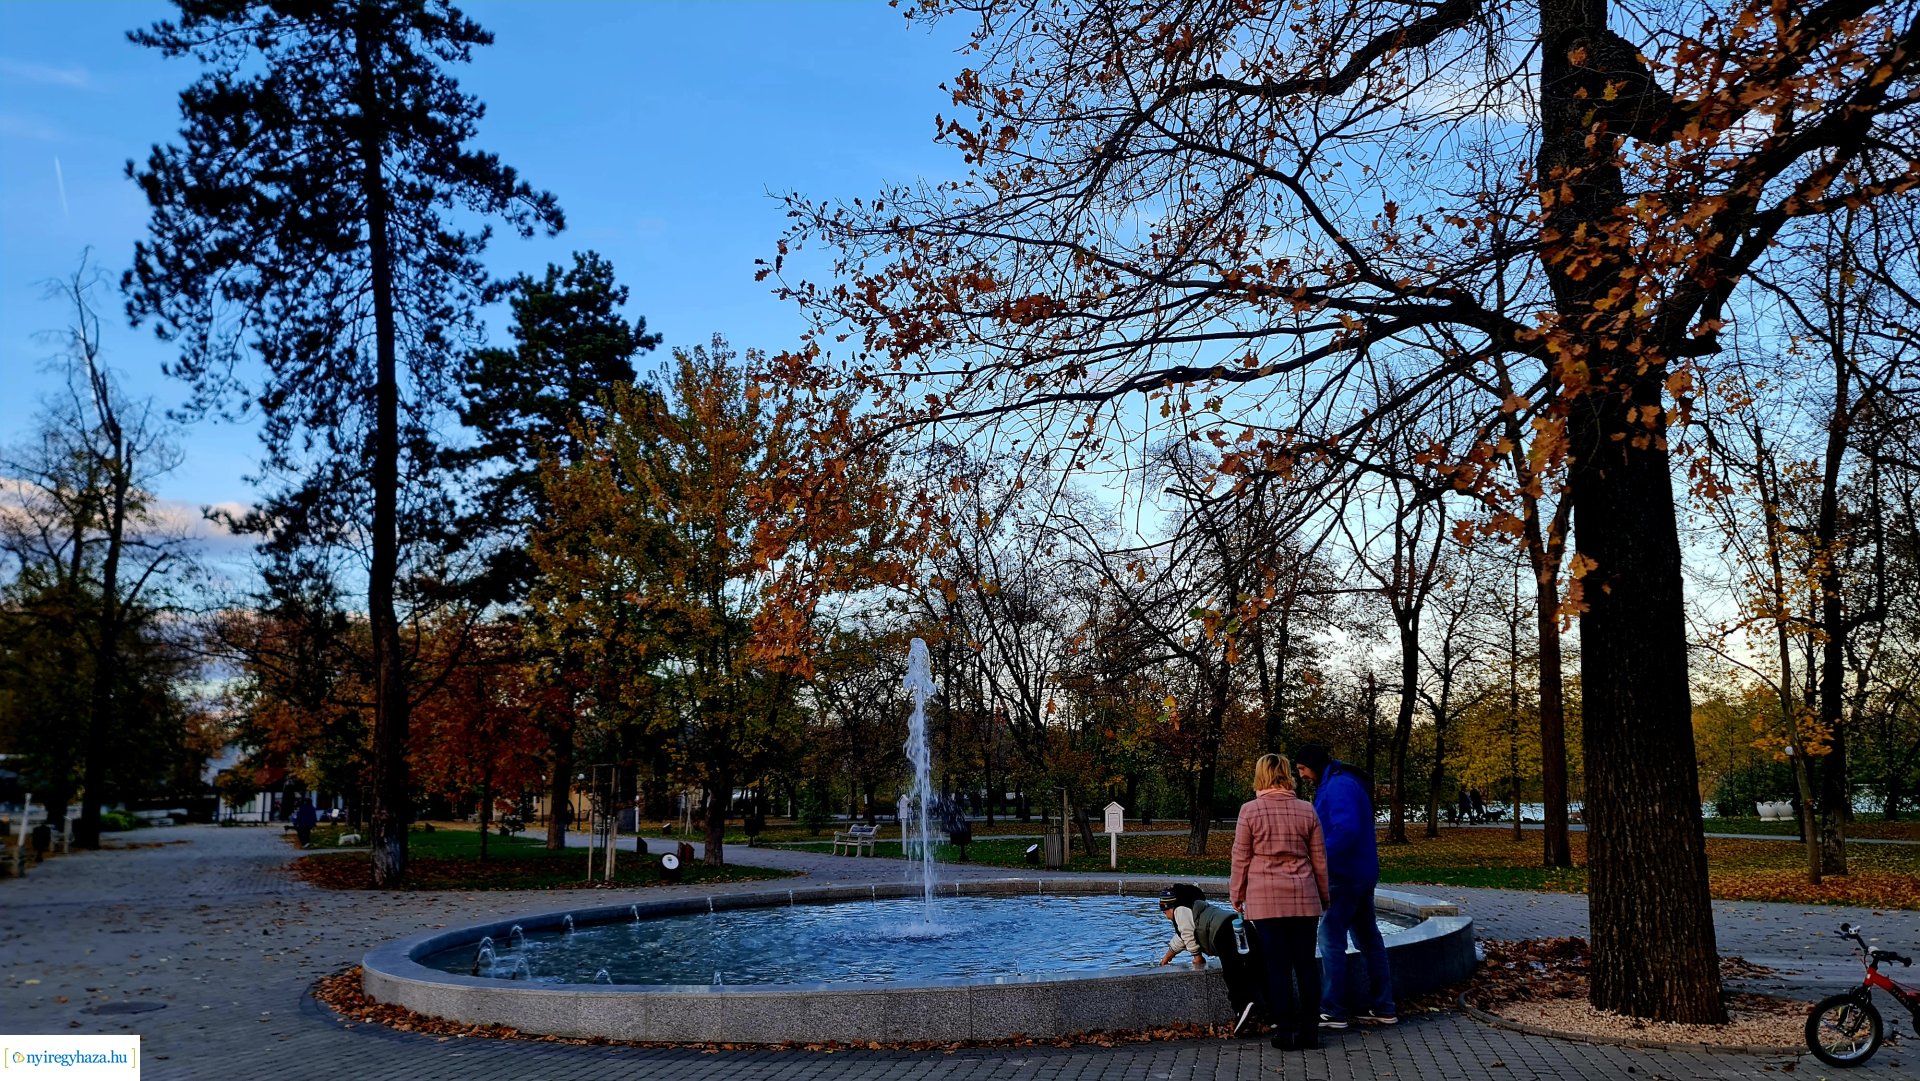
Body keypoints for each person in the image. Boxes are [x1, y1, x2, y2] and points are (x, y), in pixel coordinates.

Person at [1230, 752, 1329, 1051]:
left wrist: (1237, 893)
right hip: (1304, 897)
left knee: (1277, 967)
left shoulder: (1250, 811)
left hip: (1266, 898)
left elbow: (1241, 857)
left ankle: (1284, 1031)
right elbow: (1320, 859)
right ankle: (1311, 1032)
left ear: (1260, 775)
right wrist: (1324, 896)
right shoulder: (1306, 810)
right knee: (1306, 966)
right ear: (1286, 774)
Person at [1293, 743, 1397, 1029]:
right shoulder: (1343, 782)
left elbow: (1346, 830)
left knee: (1330, 938)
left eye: (1302, 769)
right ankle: (1384, 1006)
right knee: (1368, 939)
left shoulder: (1338, 786)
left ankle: (1333, 1010)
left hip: (1343, 876)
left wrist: (1318, 858)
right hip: (1360, 873)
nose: (1300, 775)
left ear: (1313, 764)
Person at [1155, 883, 1269, 1036]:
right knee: (1255, 968)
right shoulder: (1197, 908)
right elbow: (1181, 938)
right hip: (1242, 926)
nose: (1165, 915)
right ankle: (1271, 1012)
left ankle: (1242, 1009)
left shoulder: (1179, 911)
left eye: (1164, 911)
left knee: (1232, 973)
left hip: (1224, 933)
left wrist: (1197, 957)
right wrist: (1167, 957)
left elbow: (1187, 934)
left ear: (1169, 906)